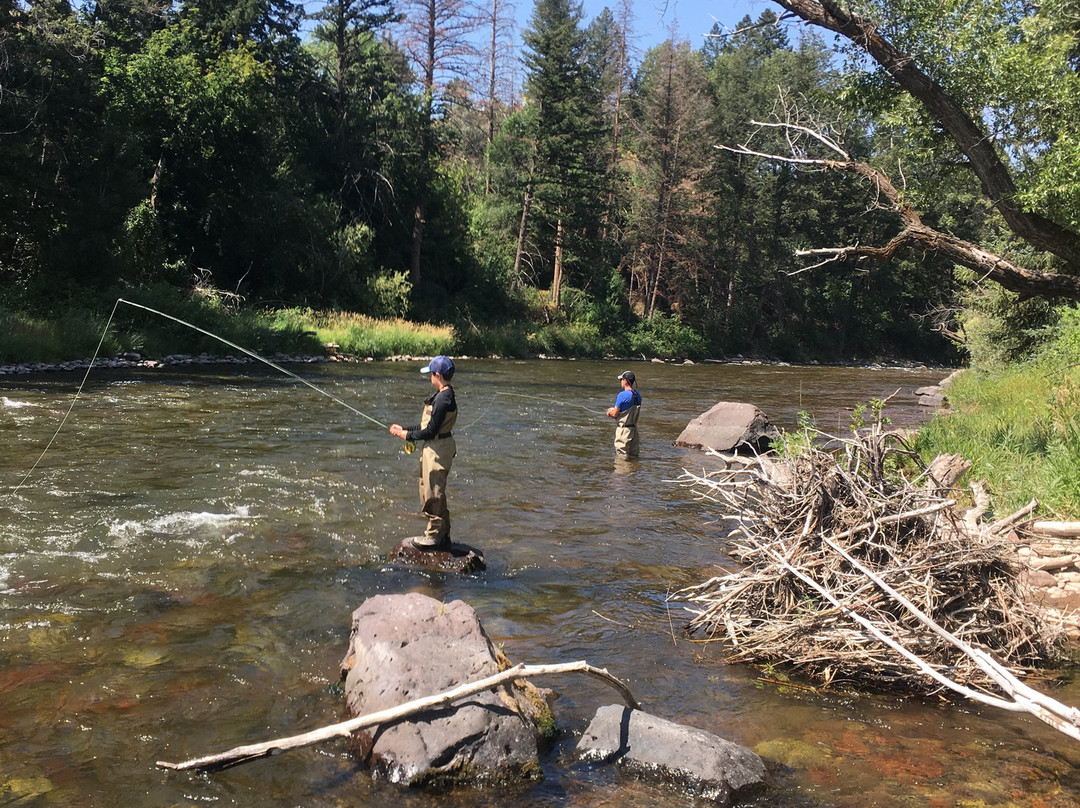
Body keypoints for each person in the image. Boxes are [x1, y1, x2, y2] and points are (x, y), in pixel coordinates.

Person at [389, 355, 458, 549]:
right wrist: (404, 429)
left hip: (437, 449)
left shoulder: (444, 399)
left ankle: (434, 536)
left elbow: (430, 431)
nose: (430, 378)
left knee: (433, 492)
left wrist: (407, 435)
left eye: (431, 374)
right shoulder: (443, 395)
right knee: (432, 489)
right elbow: (426, 425)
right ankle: (443, 534)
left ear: (438, 375)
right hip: (436, 446)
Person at [606, 369, 641, 456]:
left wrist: (609, 412)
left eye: (621, 380)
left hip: (624, 431)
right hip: (634, 431)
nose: (620, 382)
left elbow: (615, 414)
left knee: (622, 457)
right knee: (633, 456)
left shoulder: (622, 395)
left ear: (625, 381)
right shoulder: (637, 395)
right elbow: (627, 408)